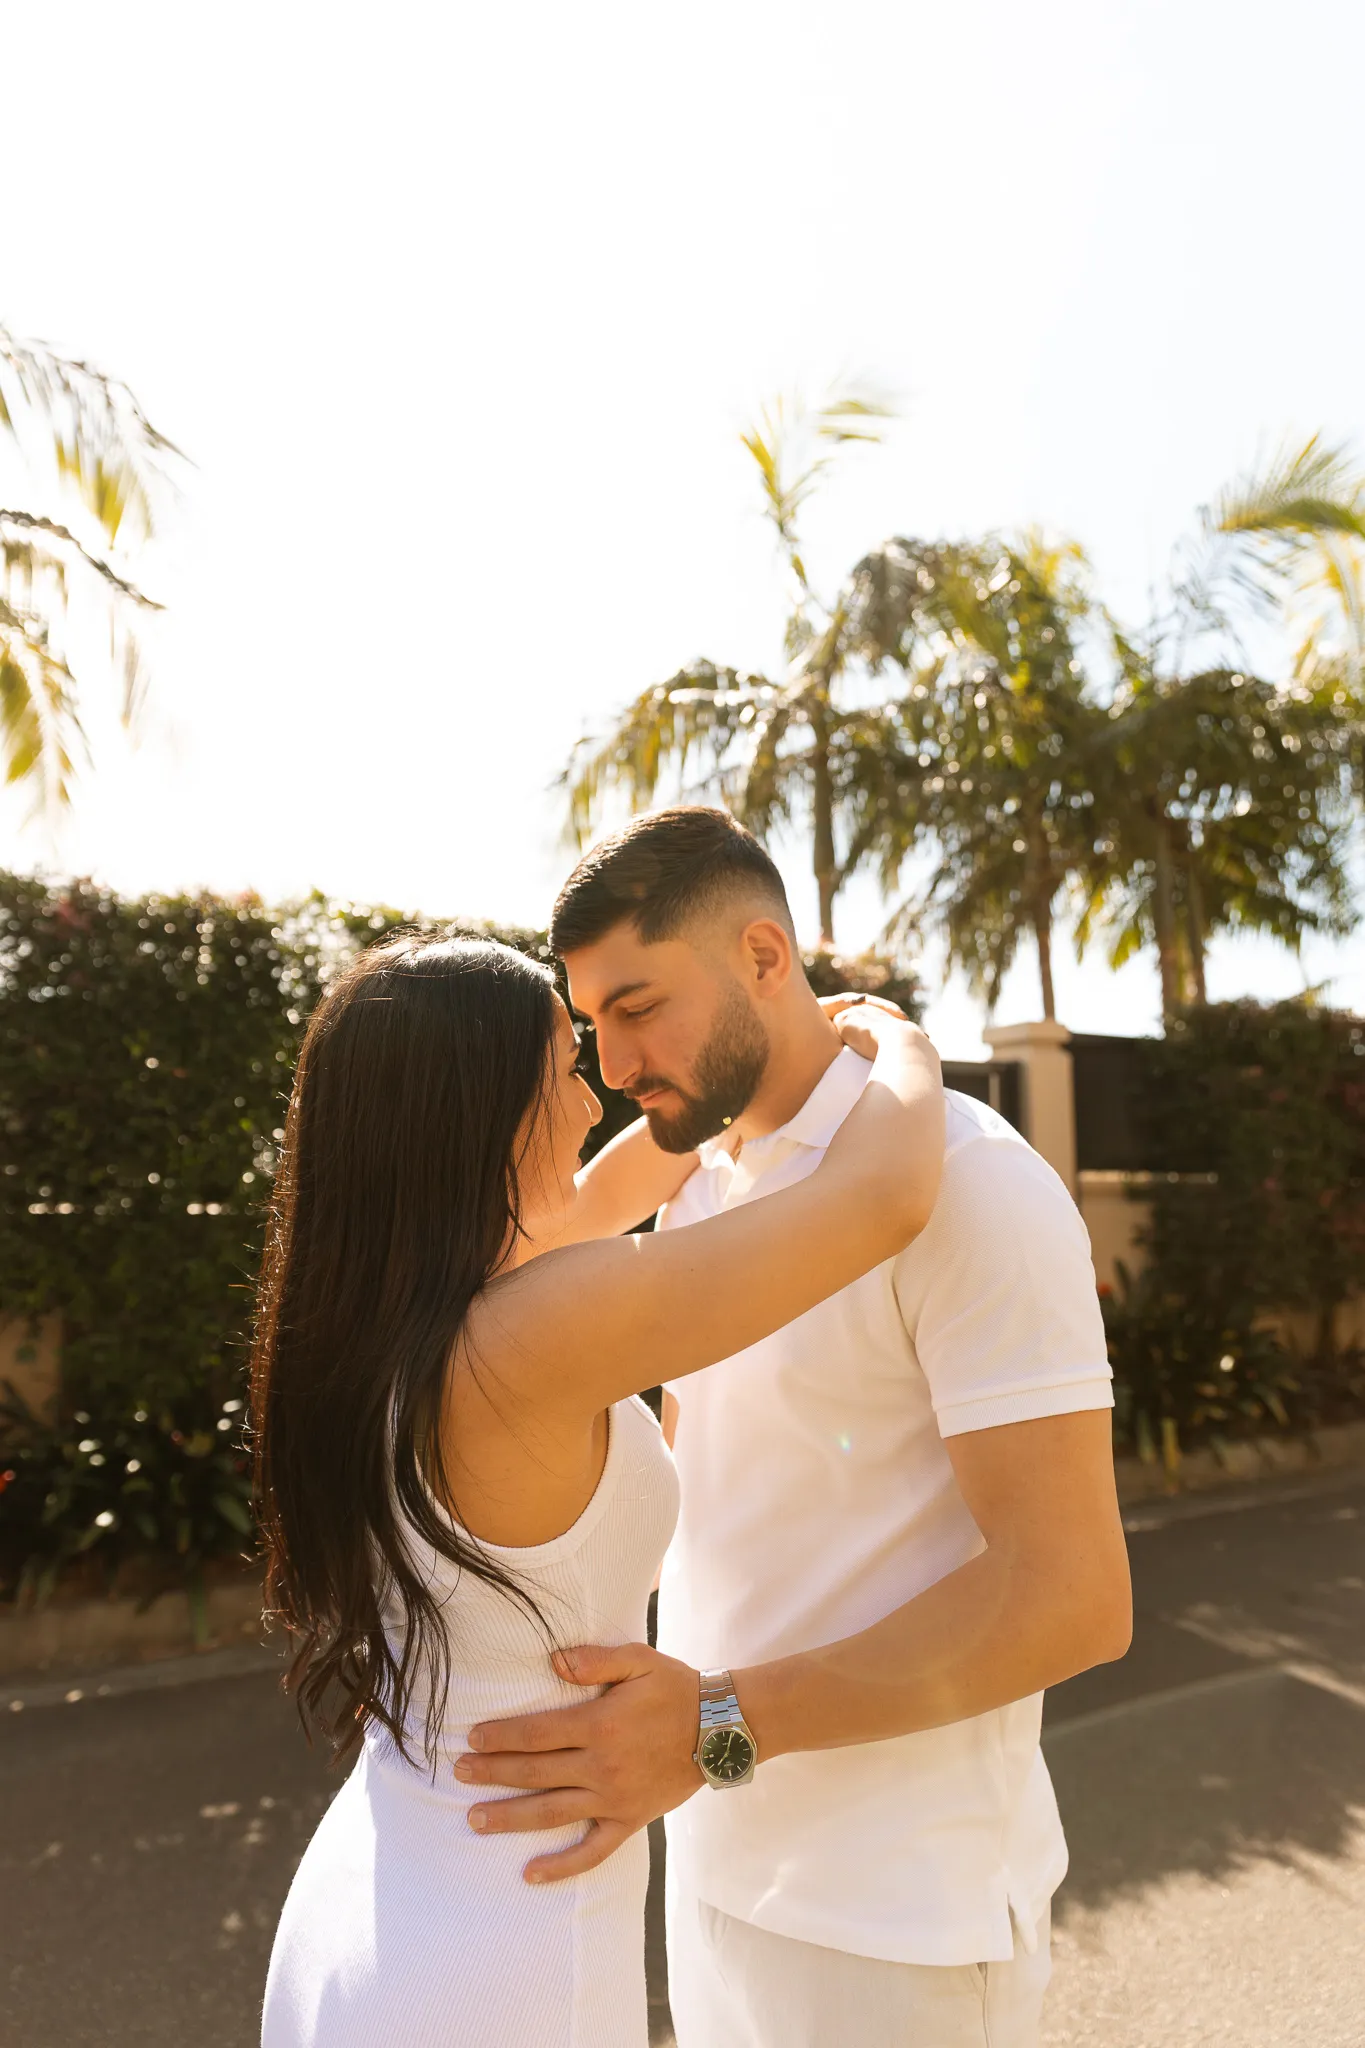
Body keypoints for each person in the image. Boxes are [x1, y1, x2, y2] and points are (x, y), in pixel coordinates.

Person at [454, 805, 1134, 2048]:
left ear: (765, 957)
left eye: (638, 1005)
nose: (609, 1062)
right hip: (711, 1861)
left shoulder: (973, 1184)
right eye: (592, 1023)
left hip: (898, 1927)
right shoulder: (703, 1183)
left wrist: (712, 1722)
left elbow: (1073, 1594)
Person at [253, 919, 944, 2048]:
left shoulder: (383, 1317)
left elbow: (590, 1196)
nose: (593, 1102)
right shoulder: (535, 1332)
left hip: (382, 1892)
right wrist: (896, 1044)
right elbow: (884, 1200)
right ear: (477, 1119)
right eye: (565, 1072)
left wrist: (713, 1080)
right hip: (499, 1956)